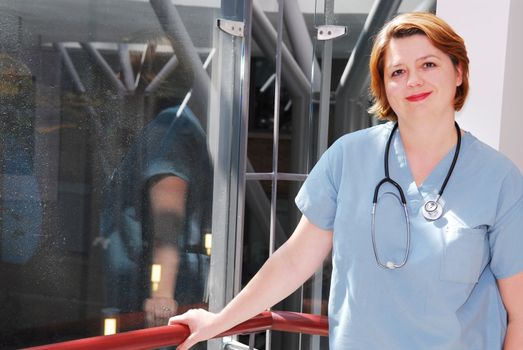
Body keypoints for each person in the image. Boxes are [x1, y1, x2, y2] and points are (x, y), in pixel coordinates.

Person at [168, 12, 523, 349]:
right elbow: (294, 260)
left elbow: (519, 312)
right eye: (397, 71)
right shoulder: (349, 157)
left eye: (429, 64)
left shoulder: (499, 179)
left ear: (458, 72)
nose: (413, 80)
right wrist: (220, 321)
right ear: (384, 86)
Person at [98, 106, 212, 330]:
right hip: (144, 292)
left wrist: (162, 294)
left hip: (153, 301)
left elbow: (168, 222)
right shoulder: (171, 128)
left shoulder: (170, 130)